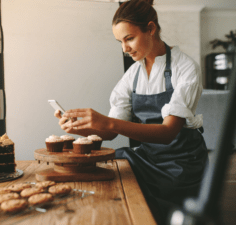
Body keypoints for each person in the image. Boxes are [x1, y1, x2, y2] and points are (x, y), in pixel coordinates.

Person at [55, 0, 208, 224]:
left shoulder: (185, 68)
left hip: (181, 164)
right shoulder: (133, 75)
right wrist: (79, 126)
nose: (124, 49)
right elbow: (110, 133)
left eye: (129, 39)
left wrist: (106, 122)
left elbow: (168, 133)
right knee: (107, 170)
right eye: (120, 41)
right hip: (148, 157)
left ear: (151, 28)